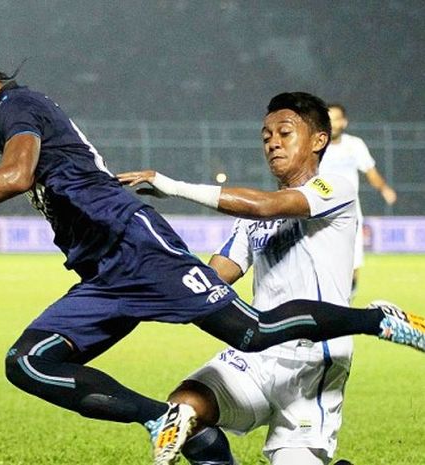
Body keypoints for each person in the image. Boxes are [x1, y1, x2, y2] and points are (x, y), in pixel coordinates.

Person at [0, 10, 425, 465]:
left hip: (134, 245)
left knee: (252, 332)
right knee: (28, 363)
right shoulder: (12, 118)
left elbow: (20, 175)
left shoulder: (17, 107)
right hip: (103, 273)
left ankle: (378, 318)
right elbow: (38, 170)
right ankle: (159, 417)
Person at [118, 93, 360, 465]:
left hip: (311, 361)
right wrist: (145, 269)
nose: (273, 143)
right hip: (258, 351)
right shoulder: (250, 219)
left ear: (318, 140)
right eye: (265, 137)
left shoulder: (335, 188)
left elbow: (268, 205)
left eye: (284, 133)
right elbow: (214, 277)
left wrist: (174, 186)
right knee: (185, 410)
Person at [320, 103, 397, 297]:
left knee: (354, 258)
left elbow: (370, 171)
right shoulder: (317, 145)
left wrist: (384, 188)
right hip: (320, 210)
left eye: (336, 119)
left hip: (350, 211)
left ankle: (349, 295)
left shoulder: (354, 144)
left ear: (344, 122)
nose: (332, 124)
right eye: (328, 119)